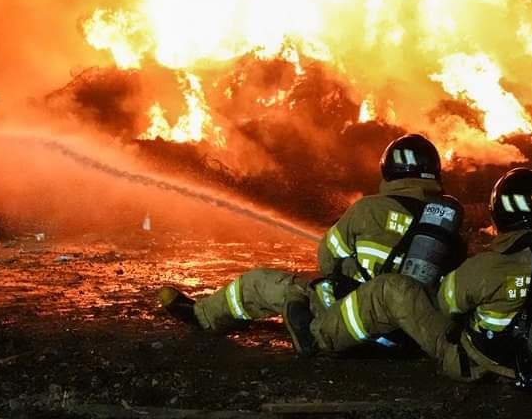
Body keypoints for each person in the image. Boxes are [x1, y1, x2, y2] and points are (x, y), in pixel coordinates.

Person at [285, 168, 532, 389]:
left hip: (476, 365)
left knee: (392, 291)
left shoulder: (488, 267)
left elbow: (444, 305)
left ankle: (317, 338)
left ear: (501, 216)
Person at [159, 134, 460, 354]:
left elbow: (327, 259)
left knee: (261, 284)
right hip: (413, 335)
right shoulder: (446, 224)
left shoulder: (367, 209)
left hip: (351, 325)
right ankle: (301, 320)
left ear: (388, 171)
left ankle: (204, 316)